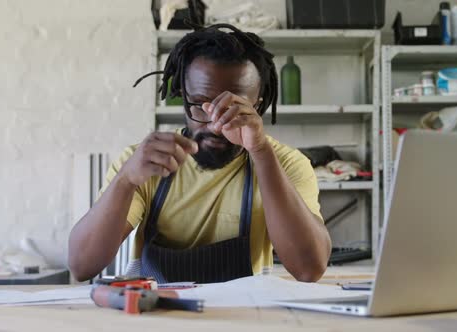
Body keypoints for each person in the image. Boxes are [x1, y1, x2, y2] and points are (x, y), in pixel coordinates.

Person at [68, 23, 331, 283]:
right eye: (200, 105)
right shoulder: (144, 163)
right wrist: (125, 181)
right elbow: (82, 266)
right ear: (183, 98)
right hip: (155, 318)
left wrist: (261, 151)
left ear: (257, 106)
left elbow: (309, 269)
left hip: (245, 319)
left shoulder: (286, 164)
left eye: (234, 109)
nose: (215, 126)